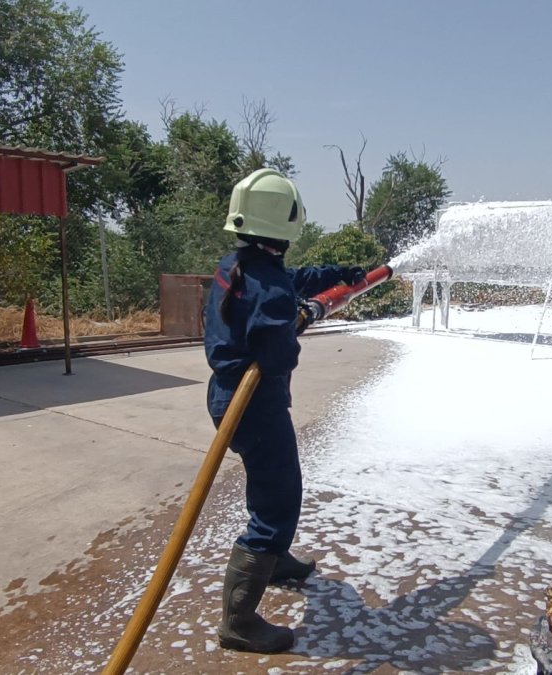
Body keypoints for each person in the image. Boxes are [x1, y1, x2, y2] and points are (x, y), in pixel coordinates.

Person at [203, 168, 366, 653]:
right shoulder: (269, 289)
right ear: (287, 223)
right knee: (278, 502)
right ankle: (239, 622)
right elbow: (277, 355)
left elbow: (288, 280)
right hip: (254, 405)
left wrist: (335, 275)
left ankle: (273, 562)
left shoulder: (240, 264)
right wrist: (305, 315)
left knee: (269, 483)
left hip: (227, 395)